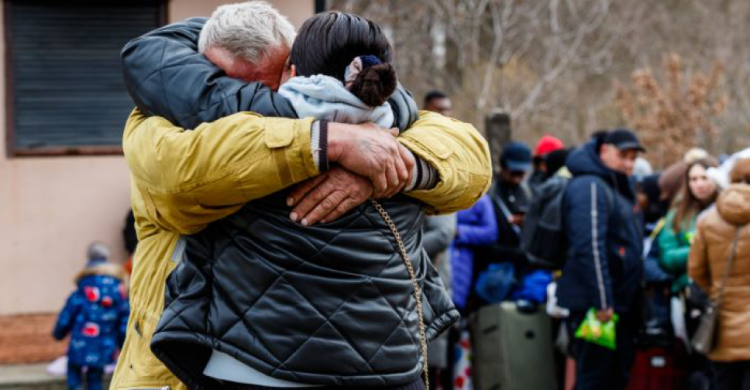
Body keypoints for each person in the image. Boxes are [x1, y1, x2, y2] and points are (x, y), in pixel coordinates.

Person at [114, 4, 492, 390]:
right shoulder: (160, 121)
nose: (271, 97)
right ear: (203, 73)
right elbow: (181, 180)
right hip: (172, 369)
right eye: (239, 85)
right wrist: (326, 143)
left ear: (295, 67)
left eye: (276, 78)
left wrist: (392, 167)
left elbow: (473, 161)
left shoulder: (377, 121)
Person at [556, 129, 645, 390]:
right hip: (597, 307)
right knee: (596, 378)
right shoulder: (590, 186)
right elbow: (589, 246)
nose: (629, 164)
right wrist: (603, 302)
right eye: (623, 156)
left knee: (614, 377)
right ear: (604, 151)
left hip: (618, 304)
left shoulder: (615, 183)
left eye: (633, 158)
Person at [689, 158, 750, 390]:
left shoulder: (708, 221)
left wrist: (715, 290)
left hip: (723, 321)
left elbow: (695, 270)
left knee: (724, 381)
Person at [53, 243, 129, 390]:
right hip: (103, 346)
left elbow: (68, 312)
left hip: (79, 343)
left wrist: (59, 332)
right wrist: (123, 344)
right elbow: (124, 321)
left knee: (74, 371)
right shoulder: (119, 292)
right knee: (95, 377)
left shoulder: (84, 287)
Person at [658, 159, 718, 293]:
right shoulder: (677, 214)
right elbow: (667, 257)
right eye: (693, 179)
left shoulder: (729, 210)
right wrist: (698, 249)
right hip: (689, 288)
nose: (700, 184)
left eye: (704, 177)